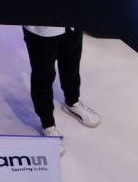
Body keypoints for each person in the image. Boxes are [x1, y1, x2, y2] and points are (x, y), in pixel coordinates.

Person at [22, 26, 100, 154]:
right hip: (41, 28)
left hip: (72, 22)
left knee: (71, 64)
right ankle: (47, 124)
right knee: (43, 75)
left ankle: (72, 102)